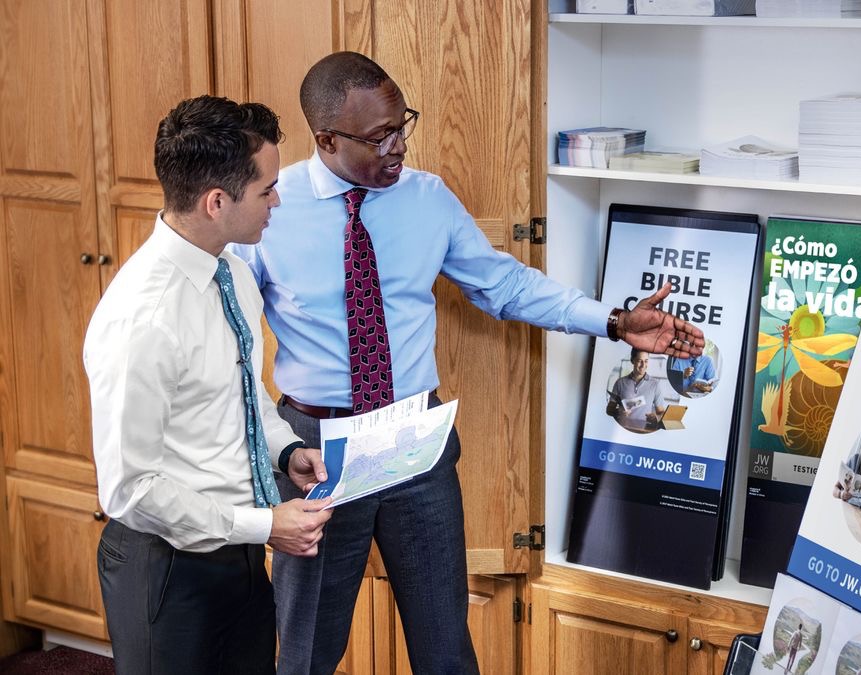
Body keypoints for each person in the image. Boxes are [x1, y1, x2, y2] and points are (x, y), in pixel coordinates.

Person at [229, 51, 705, 674]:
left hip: (414, 441)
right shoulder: (270, 209)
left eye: (403, 125)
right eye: (379, 136)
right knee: (306, 653)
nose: (399, 146)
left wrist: (613, 322)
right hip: (317, 449)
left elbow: (505, 285)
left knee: (446, 649)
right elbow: (229, 334)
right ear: (327, 140)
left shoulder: (427, 198)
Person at [84, 96, 334, 674]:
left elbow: (244, 391)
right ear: (216, 202)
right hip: (167, 570)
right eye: (267, 190)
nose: (277, 201)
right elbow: (129, 490)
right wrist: (265, 525)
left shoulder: (234, 273)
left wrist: (286, 450)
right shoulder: (143, 319)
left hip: (238, 555)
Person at [607, 348, 669, 432]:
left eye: (646, 361)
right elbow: (609, 410)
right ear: (632, 361)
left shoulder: (655, 384)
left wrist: (656, 417)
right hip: (622, 431)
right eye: (640, 361)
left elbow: (661, 412)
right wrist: (619, 411)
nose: (643, 365)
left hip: (643, 432)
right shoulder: (620, 382)